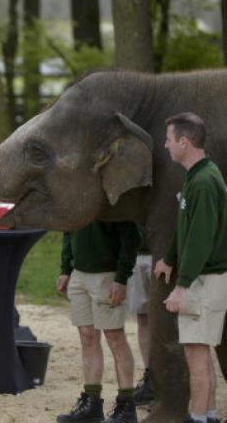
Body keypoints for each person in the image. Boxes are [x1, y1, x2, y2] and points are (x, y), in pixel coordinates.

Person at [154, 112, 227, 423]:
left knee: (195, 354)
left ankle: (198, 418)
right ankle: (208, 415)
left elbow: (200, 239)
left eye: (169, 139)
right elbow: (185, 227)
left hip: (204, 280)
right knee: (200, 350)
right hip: (201, 277)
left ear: (184, 142)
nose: (166, 145)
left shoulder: (205, 182)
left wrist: (182, 287)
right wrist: (169, 257)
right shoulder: (196, 176)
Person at [56, 220, 140, 423]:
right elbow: (69, 231)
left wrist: (121, 277)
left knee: (115, 338)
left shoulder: (111, 199)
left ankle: (126, 406)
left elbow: (132, 236)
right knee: (87, 336)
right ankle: (92, 403)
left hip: (107, 275)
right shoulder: (74, 195)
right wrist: (66, 269)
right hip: (79, 274)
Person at [125, 227, 154, 406]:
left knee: (166, 321)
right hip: (136, 252)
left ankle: (170, 382)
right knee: (143, 318)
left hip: (162, 253)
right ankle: (151, 380)